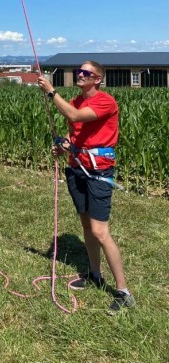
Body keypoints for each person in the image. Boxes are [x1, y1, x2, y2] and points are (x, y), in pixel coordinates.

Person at [38, 61, 135, 315]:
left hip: (98, 173)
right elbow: (76, 131)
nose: (80, 75)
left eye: (86, 73)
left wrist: (51, 92)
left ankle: (124, 292)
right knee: (86, 226)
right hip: (76, 169)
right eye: (79, 72)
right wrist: (64, 145)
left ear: (98, 79)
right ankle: (95, 274)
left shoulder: (105, 102)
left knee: (100, 231)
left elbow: (74, 116)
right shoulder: (76, 100)